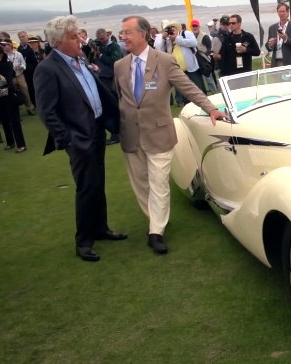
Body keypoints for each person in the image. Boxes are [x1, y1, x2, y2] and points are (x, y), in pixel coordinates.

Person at [113, 15, 225, 255]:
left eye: (127, 32)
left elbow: (188, 87)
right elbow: (121, 99)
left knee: (159, 182)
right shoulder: (120, 66)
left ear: (142, 34)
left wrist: (211, 109)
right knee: (141, 184)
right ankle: (157, 217)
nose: (123, 37)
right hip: (131, 135)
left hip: (159, 133)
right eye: (122, 33)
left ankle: (156, 232)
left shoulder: (163, 61)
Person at [34, 15, 127, 262]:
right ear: (58, 41)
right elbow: (46, 111)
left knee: (98, 183)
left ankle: (101, 228)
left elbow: (93, 91)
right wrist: (67, 140)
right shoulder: (47, 68)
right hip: (78, 138)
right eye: (73, 37)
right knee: (86, 187)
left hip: (96, 131)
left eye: (79, 35)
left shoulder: (81, 59)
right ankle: (84, 241)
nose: (80, 40)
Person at [93, 28, 123, 145]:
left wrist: (100, 55)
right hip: (101, 78)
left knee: (113, 105)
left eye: (104, 38)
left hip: (112, 78)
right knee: (107, 106)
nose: (102, 41)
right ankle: (116, 133)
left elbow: (115, 60)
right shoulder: (98, 45)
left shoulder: (115, 46)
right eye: (100, 39)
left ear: (107, 36)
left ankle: (117, 133)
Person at [0, 44, 26, 152]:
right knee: (3, 120)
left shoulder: (6, 64)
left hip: (8, 95)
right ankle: (10, 142)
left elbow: (7, 81)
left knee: (14, 120)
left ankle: (21, 144)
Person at [0, 39, 35, 115]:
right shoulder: (2, 56)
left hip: (20, 75)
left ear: (10, 45)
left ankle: (30, 108)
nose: (3, 47)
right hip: (10, 77)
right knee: (12, 93)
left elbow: (24, 64)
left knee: (25, 92)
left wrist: (21, 66)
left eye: (4, 45)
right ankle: (15, 110)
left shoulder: (18, 54)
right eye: (2, 45)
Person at [266, 2, 291, 67]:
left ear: (288, 13)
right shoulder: (272, 28)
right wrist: (270, 45)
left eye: (283, 11)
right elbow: (268, 46)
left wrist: (286, 39)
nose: (281, 13)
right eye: (279, 12)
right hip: (276, 63)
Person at [191, 19, 217, 94]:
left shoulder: (204, 36)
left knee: (209, 79)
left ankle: (214, 93)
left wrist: (204, 55)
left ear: (199, 26)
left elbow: (210, 48)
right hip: (195, 61)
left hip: (204, 61)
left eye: (196, 26)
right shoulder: (191, 36)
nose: (194, 27)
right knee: (199, 80)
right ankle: (203, 94)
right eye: (193, 26)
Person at [17, 31, 38, 107]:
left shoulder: (31, 47)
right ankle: (32, 103)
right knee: (29, 88)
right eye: (20, 37)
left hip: (33, 70)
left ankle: (37, 102)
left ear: (27, 36)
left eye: (23, 36)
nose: (22, 38)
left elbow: (35, 61)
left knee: (35, 87)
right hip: (24, 72)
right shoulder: (19, 48)